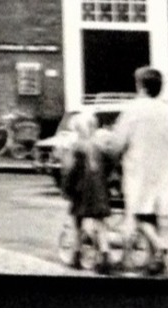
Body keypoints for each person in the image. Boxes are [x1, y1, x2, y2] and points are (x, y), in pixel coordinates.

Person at [100, 66, 168, 276]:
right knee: (152, 216)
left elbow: (118, 143)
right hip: (162, 169)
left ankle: (141, 254)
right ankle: (155, 260)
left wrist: (109, 159)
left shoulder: (133, 110)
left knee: (135, 215)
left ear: (140, 86)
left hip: (138, 169)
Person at [60, 111, 114, 272]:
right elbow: (111, 166)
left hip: (80, 192)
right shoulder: (102, 148)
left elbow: (70, 172)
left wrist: (66, 189)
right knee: (100, 223)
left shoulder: (76, 149)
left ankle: (76, 255)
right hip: (99, 190)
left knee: (78, 223)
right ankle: (105, 256)